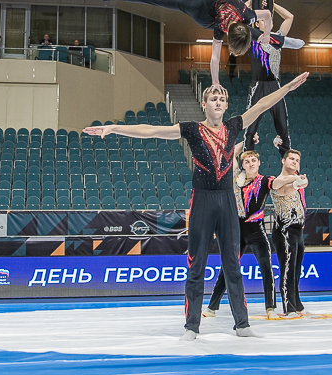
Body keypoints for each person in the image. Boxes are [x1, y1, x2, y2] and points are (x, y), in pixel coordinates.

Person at [83, 72, 311, 339]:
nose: (218, 102)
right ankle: (192, 326)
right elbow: (152, 131)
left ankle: (242, 324)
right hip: (202, 201)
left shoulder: (234, 126)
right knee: (196, 265)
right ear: (204, 104)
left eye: (222, 99)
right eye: (213, 98)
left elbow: (262, 105)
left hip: (226, 201)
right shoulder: (192, 129)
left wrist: (287, 87)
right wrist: (113, 128)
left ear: (226, 105)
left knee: (232, 265)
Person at [81, 0, 301, 87]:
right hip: (199, 6)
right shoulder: (222, 27)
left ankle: (281, 40)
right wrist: (215, 81)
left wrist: (266, 34)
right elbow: (214, 58)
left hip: (219, 10)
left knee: (254, 34)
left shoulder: (248, 13)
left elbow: (267, 16)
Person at [203, 141, 280, 320]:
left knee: (266, 268)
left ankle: (270, 308)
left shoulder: (265, 180)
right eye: (247, 161)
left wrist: (293, 180)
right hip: (236, 230)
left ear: (259, 163)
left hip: (256, 230)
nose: (251, 163)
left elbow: (279, 182)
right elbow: (229, 154)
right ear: (243, 165)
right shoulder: (236, 178)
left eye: (254, 161)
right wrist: (247, 141)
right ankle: (212, 308)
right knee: (227, 269)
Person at [242, 1, 294, 157]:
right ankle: (247, 163)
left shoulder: (278, 38)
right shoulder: (252, 37)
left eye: (269, 18)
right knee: (250, 128)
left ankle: (287, 162)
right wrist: (252, 1)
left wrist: (272, 4)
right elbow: (239, 19)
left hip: (275, 86)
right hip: (258, 85)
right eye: (263, 19)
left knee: (283, 127)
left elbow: (289, 17)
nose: (267, 20)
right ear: (257, 24)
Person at [270, 149, 309, 317]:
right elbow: (284, 190)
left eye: (297, 160)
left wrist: (300, 181)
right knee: (288, 270)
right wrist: (297, 181)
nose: (295, 162)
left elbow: (302, 183)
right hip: (284, 230)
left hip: (297, 229)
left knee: (296, 270)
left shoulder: (298, 180)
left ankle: (297, 303)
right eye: (291, 159)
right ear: (283, 161)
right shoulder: (275, 181)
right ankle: (289, 306)